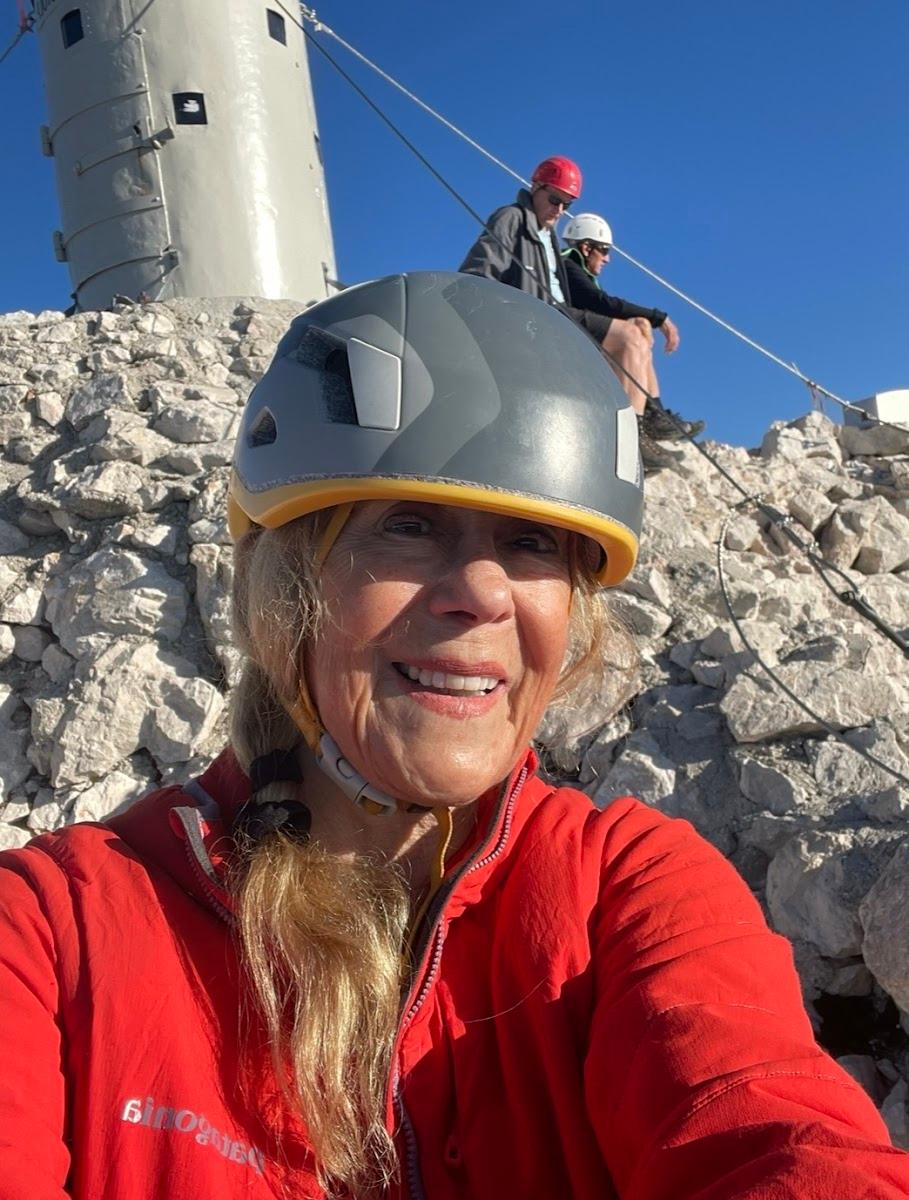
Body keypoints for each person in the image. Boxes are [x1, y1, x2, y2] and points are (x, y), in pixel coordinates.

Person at [1, 272, 907, 1200]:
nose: (481, 594)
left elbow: (773, 1136)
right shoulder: (53, 932)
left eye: (530, 543)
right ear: (288, 592)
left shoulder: (626, 893)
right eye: (406, 525)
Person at [460, 158, 675, 471]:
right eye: (555, 200)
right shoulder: (512, 218)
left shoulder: (549, 236)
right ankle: (632, 440)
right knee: (628, 337)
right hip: (540, 318)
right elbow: (479, 272)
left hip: (561, 317)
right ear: (535, 187)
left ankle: (648, 422)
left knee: (635, 331)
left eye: (567, 204)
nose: (559, 210)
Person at [561, 212, 703, 442]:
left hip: (587, 337)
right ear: (586, 248)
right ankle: (635, 426)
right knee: (634, 332)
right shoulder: (568, 265)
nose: (607, 259)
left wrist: (647, 320)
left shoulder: (580, 271)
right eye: (604, 250)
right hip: (572, 337)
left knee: (640, 325)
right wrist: (659, 318)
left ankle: (654, 412)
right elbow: (602, 304)